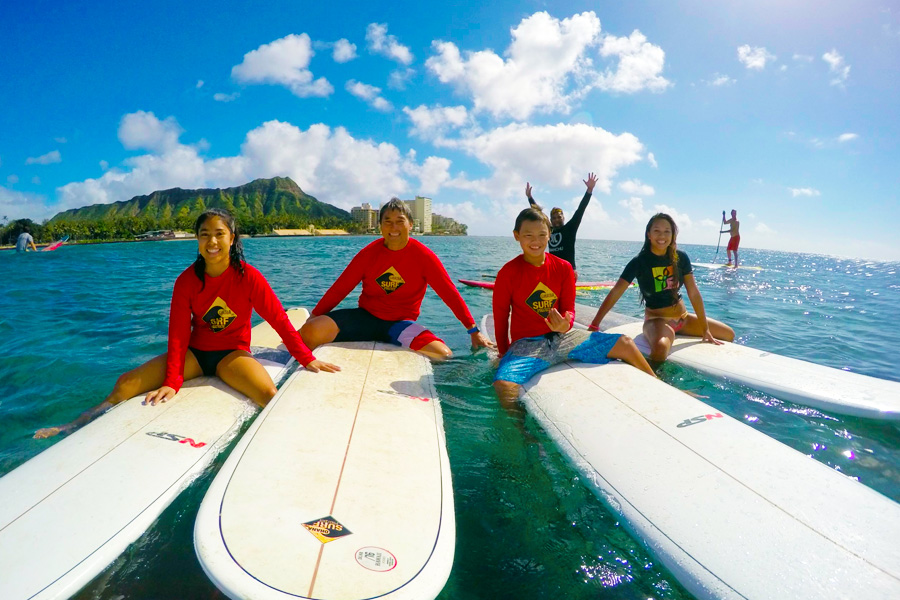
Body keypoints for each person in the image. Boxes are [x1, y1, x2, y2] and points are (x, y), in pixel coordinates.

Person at [34, 208, 339, 439]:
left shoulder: (249, 278)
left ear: (232, 238)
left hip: (232, 355)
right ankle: (74, 424)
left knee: (268, 397)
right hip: (195, 353)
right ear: (197, 240)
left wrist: (306, 358)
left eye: (219, 233)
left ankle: (288, 442)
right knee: (126, 383)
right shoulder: (187, 281)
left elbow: (279, 322)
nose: (212, 241)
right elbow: (178, 335)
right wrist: (172, 381)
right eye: (204, 234)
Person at [492, 205, 654, 405]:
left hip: (563, 338)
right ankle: (521, 435)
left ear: (550, 235)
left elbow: (569, 309)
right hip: (527, 346)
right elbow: (500, 318)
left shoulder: (563, 268)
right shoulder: (508, 273)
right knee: (503, 385)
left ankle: (658, 385)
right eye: (528, 235)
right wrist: (502, 353)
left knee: (626, 344)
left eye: (542, 234)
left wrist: (564, 325)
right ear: (517, 236)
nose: (536, 241)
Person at [301, 198, 494, 360]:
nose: (394, 227)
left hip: (400, 325)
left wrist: (473, 331)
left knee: (443, 355)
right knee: (310, 332)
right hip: (365, 318)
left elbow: (449, 294)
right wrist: (315, 315)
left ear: (410, 224)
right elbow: (340, 289)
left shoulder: (423, 257)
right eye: (387, 221)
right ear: (380, 226)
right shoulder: (368, 254)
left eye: (400, 221)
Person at [587, 213, 734, 363]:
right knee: (661, 348)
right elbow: (616, 292)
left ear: (673, 235)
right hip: (657, 321)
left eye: (667, 231)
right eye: (656, 230)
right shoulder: (639, 262)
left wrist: (705, 329)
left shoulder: (681, 258)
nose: (661, 235)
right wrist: (595, 324)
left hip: (683, 319)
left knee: (729, 334)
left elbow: (694, 293)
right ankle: (655, 378)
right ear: (648, 234)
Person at [526, 173, 596, 279]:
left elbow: (581, 209)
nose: (556, 220)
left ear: (563, 217)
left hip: (568, 272)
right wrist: (529, 197)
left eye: (559, 217)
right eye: (553, 218)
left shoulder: (570, 228)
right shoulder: (549, 229)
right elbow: (538, 213)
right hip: (553, 270)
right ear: (551, 220)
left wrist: (589, 190)